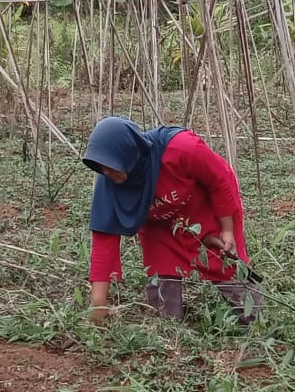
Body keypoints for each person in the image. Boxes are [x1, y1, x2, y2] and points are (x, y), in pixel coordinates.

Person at [82, 115, 259, 322]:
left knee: (223, 261)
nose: (105, 171)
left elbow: (218, 181)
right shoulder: (109, 183)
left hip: (203, 209)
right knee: (162, 291)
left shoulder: (181, 148)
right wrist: (98, 306)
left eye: (111, 165)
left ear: (129, 152)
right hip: (160, 225)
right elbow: (104, 243)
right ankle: (170, 330)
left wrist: (226, 229)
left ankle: (254, 319)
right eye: (101, 166)